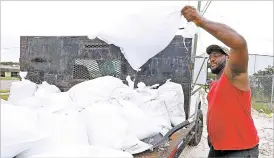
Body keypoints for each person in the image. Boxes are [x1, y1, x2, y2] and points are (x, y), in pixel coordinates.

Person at [181, 6, 259, 158]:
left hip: (240, 151)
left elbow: (239, 43)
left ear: (229, 58)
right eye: (210, 57)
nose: (212, 59)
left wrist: (200, 21)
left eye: (217, 55)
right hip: (217, 149)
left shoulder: (236, 76)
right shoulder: (214, 84)